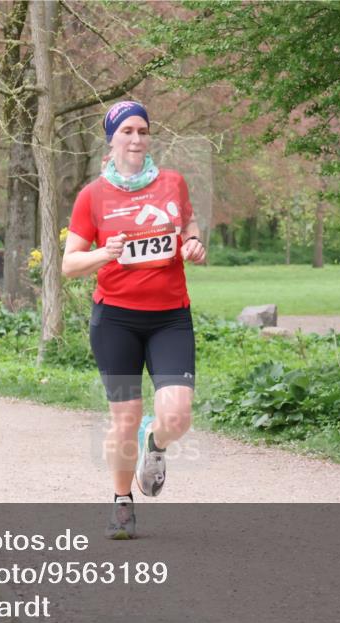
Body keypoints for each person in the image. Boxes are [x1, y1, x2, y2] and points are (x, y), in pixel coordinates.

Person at [61, 100, 206, 539]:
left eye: (143, 131)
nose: (137, 139)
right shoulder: (93, 196)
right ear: (112, 139)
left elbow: (190, 224)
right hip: (116, 322)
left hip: (170, 319)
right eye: (127, 132)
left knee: (177, 414)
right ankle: (122, 501)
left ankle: (156, 443)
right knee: (124, 416)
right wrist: (104, 254)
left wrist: (194, 243)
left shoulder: (173, 183)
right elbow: (69, 264)